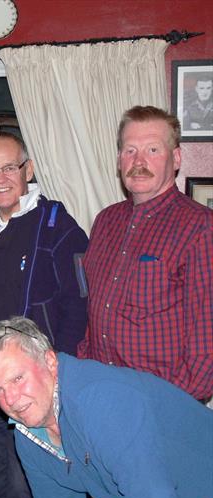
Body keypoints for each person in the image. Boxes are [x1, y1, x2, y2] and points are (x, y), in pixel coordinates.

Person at [0, 316, 213, 498]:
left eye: (18, 378)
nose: (10, 400)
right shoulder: (28, 430)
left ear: (50, 361)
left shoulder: (101, 400)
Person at [0, 131, 88, 498]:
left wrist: (59, 371)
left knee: (30, 489)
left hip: (33, 387)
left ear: (28, 170)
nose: (1, 177)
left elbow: (79, 304)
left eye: (10, 167)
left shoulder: (58, 227)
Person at [77, 106, 213, 402]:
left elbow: (207, 336)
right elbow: (93, 310)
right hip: (102, 392)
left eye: (153, 149)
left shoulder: (200, 226)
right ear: (119, 160)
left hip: (160, 402)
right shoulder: (106, 221)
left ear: (175, 158)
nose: (139, 161)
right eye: (129, 150)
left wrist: (169, 403)